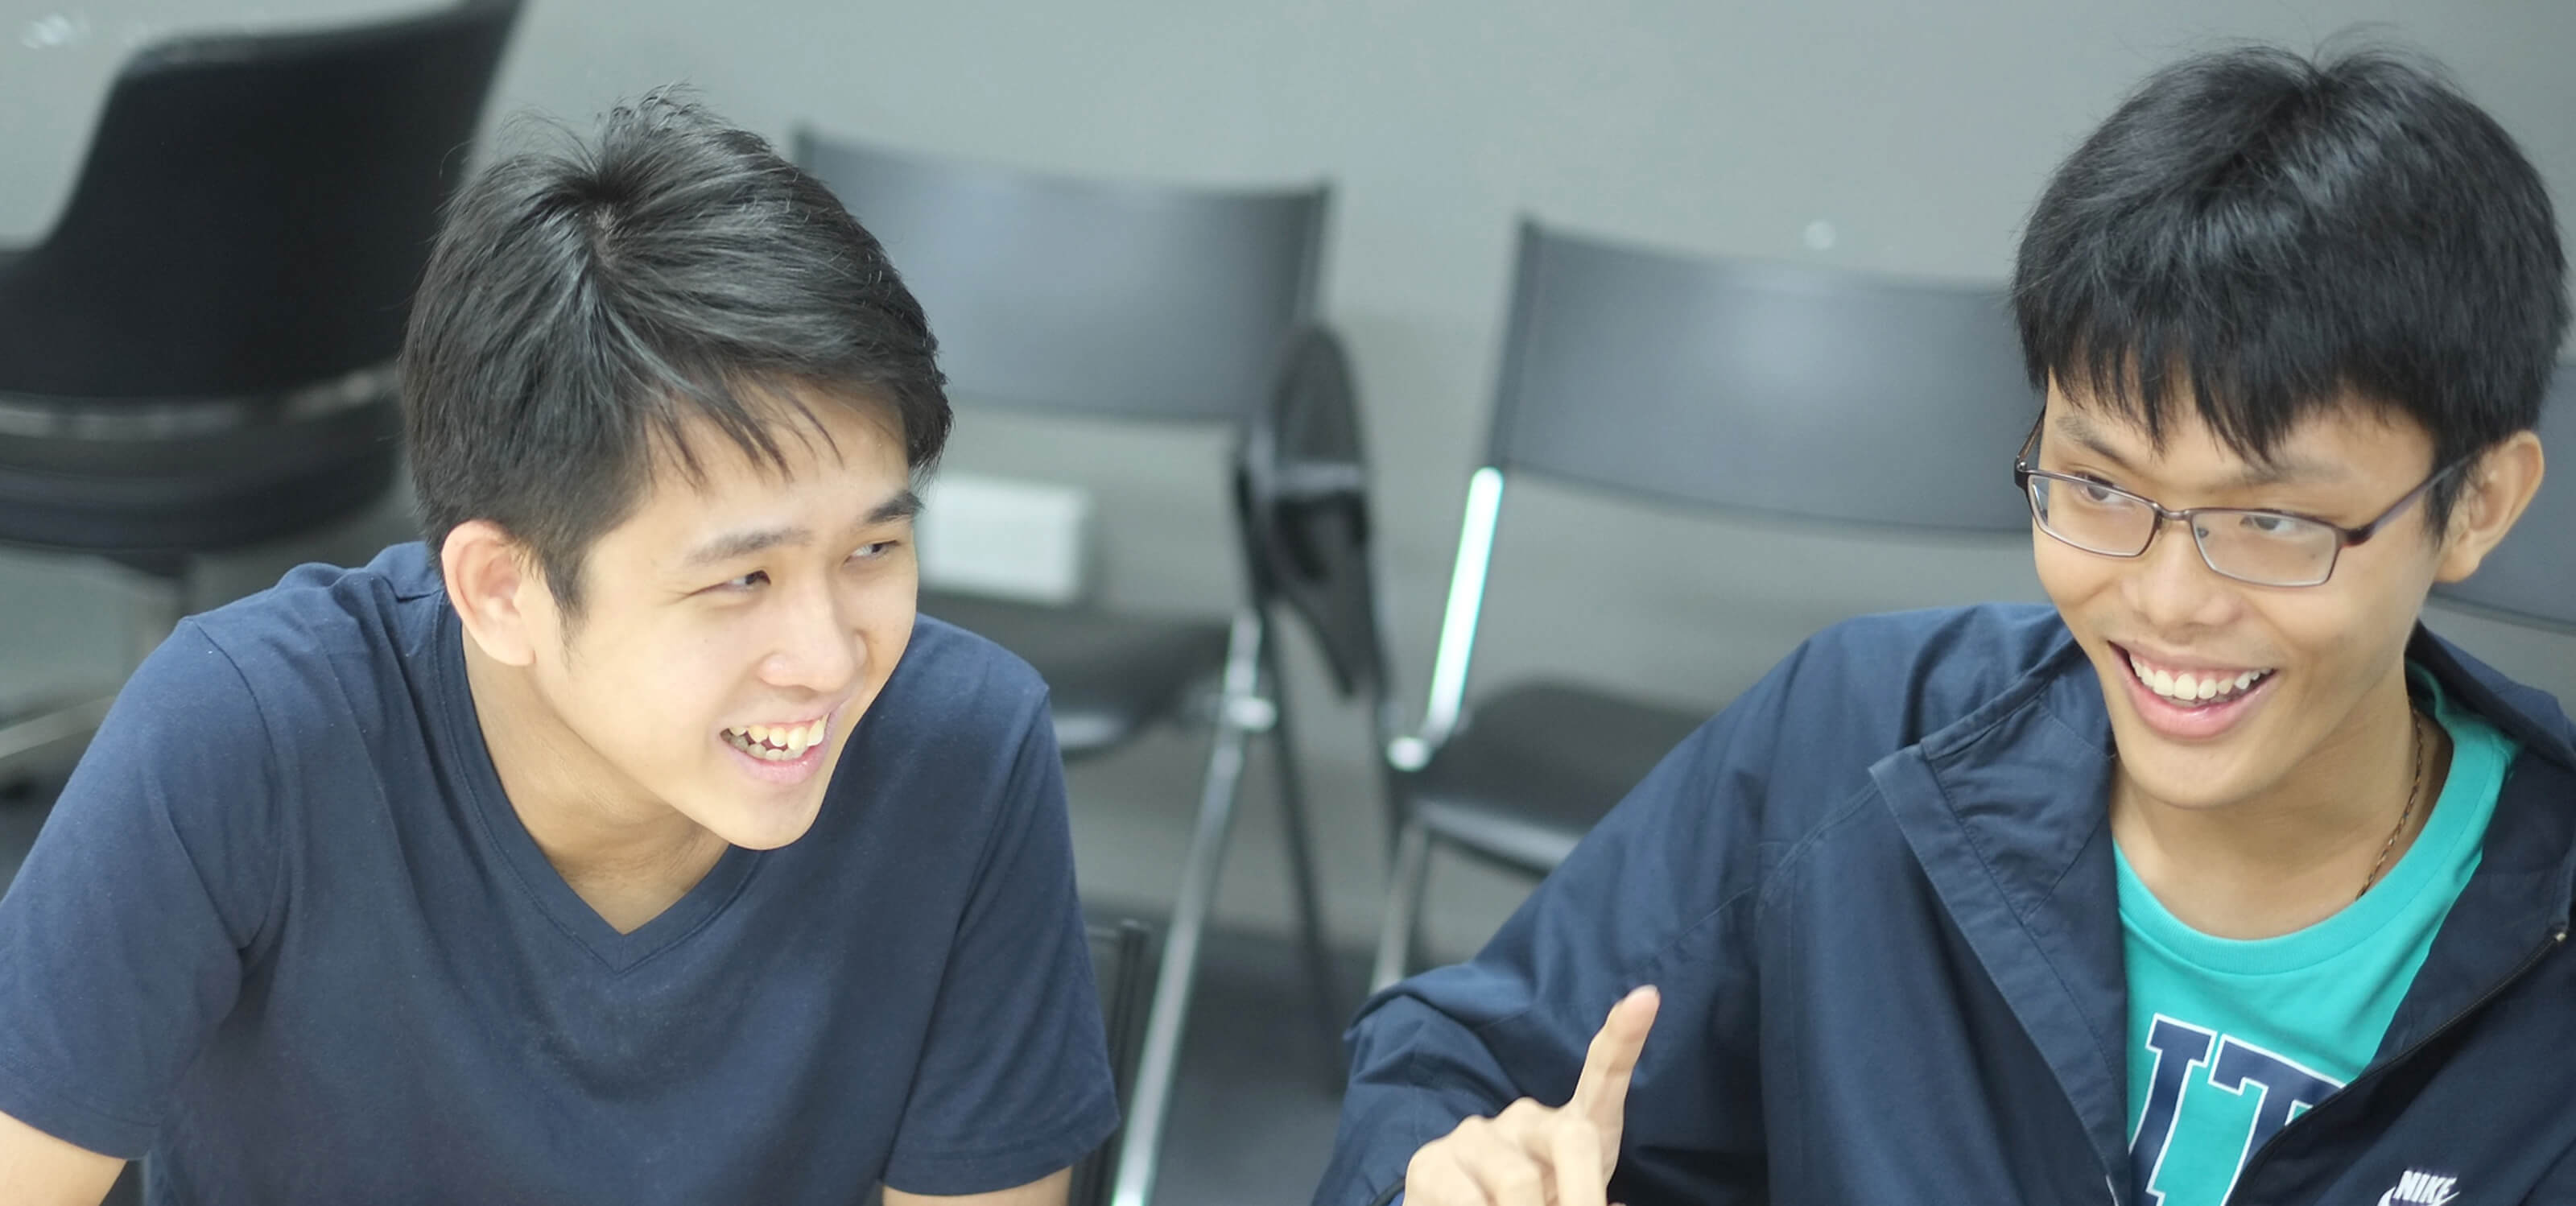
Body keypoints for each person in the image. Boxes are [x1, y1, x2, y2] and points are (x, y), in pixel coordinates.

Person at [1317, 44, 2570, 1206]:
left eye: (2274, 523)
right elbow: (1454, 1057)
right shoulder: (1863, 737)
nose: (2170, 599)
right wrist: (1447, 1170)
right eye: (2098, 486)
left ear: (2477, 505)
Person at [0, 94, 1116, 1204]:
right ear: (502, 588)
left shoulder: (962, 745)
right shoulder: (244, 730)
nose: (830, 660)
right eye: (743, 578)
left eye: (873, 548)